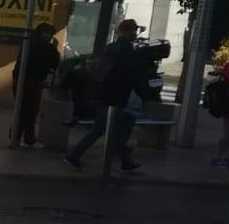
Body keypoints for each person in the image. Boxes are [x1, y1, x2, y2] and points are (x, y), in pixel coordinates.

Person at [65, 18, 150, 172]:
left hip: (105, 95)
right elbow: (132, 75)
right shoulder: (127, 51)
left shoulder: (110, 48)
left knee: (102, 128)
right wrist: (145, 94)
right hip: (116, 97)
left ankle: (76, 155)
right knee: (122, 125)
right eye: (133, 30)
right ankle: (124, 158)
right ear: (128, 31)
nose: (135, 34)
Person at [12, 23, 61, 148]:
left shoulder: (28, 43)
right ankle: (24, 138)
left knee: (22, 109)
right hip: (33, 81)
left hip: (20, 79)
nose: (49, 35)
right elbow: (54, 63)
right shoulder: (46, 47)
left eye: (50, 33)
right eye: (47, 33)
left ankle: (18, 136)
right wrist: (54, 48)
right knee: (29, 110)